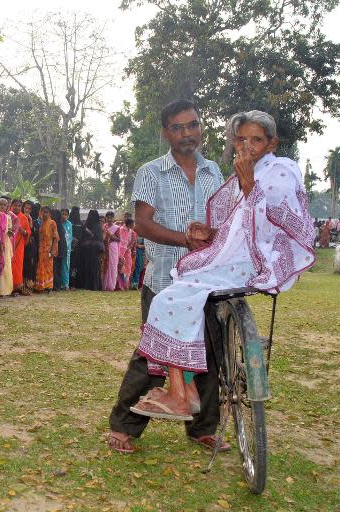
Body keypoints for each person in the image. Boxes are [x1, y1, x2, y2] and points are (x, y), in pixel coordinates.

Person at [129, 110, 315, 427]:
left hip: (251, 263)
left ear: (272, 144)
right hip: (204, 261)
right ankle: (175, 394)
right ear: (166, 134)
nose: (247, 147)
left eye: (256, 140)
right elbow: (237, 225)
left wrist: (247, 183)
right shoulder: (153, 172)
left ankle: (184, 398)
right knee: (176, 306)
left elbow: (273, 224)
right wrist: (211, 233)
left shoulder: (278, 172)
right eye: (241, 139)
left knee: (176, 306)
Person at [107, 99, 227, 454]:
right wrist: (184, 240)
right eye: (178, 127)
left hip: (208, 281)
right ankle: (123, 427)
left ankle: (202, 428)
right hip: (164, 281)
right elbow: (142, 224)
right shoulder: (152, 172)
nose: (186, 133)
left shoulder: (214, 172)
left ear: (201, 128)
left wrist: (211, 233)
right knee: (153, 359)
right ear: (166, 133)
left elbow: (223, 219)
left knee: (209, 353)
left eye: (192, 125)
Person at [77, 210, 103, 291]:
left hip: (87, 250)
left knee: (87, 267)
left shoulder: (87, 225)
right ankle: (94, 286)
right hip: (94, 251)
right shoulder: (98, 226)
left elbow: (84, 237)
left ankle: (87, 285)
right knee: (94, 268)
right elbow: (99, 239)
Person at [35, 206, 58, 292]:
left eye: (46, 212)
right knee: (41, 266)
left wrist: (53, 250)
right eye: (43, 212)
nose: (45, 214)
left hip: (49, 249)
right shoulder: (40, 223)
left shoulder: (52, 223)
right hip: (41, 249)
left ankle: (49, 287)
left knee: (49, 268)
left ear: (50, 213)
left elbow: (56, 238)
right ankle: (41, 285)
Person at [10, 199, 30, 295]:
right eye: (15, 205)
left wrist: (23, 231)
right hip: (7, 245)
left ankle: (16, 287)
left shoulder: (24, 218)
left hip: (19, 246)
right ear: (11, 205)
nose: (17, 207)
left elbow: (28, 233)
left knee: (17, 265)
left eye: (19, 206)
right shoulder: (7, 215)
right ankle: (7, 287)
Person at [0, 197, 15, 297]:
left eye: (4, 204)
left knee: (6, 265)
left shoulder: (8, 217)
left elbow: (10, 229)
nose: (2, 206)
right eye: (0, 204)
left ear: (7, 206)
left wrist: (11, 232)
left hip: (6, 243)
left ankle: (5, 290)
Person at [22, 201, 38, 294]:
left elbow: (34, 234)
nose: (27, 210)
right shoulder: (19, 217)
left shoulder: (35, 220)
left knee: (29, 265)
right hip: (20, 245)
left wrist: (30, 221)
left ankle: (28, 287)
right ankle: (20, 286)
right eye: (26, 208)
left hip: (30, 246)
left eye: (29, 209)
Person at [102, 212, 121, 291]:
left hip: (113, 247)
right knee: (105, 265)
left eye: (111, 218)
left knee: (112, 266)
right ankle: (104, 285)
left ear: (113, 218)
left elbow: (119, 239)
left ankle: (111, 286)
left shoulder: (117, 227)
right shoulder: (104, 226)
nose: (109, 219)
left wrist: (110, 235)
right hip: (105, 247)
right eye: (108, 217)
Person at [68, 207, 83, 288]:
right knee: (72, 265)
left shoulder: (70, 222)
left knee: (72, 265)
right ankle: (71, 283)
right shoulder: (78, 223)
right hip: (72, 247)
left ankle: (71, 283)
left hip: (74, 247)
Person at [60, 208, 73, 290]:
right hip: (59, 247)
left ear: (68, 216)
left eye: (65, 214)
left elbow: (70, 236)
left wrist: (67, 247)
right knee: (59, 265)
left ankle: (66, 284)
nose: (64, 216)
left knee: (66, 265)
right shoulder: (58, 223)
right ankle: (60, 283)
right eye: (62, 214)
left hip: (67, 248)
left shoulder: (69, 224)